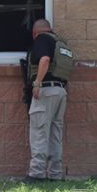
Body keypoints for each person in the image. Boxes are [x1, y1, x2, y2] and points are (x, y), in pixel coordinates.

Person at [26, 18, 71, 181]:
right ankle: (55, 174)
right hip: (60, 92)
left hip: (46, 90)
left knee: (39, 131)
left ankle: (36, 174)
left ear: (34, 32)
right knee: (55, 134)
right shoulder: (61, 44)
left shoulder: (42, 39)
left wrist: (36, 83)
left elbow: (44, 59)